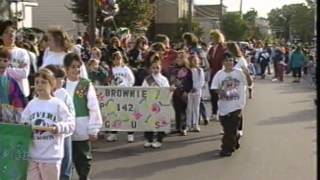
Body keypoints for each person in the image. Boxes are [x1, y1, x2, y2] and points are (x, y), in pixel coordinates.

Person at [21, 68, 75, 180]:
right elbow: (24, 121)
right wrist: (26, 127)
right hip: (33, 155)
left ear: (52, 84)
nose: (39, 85)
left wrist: (58, 127)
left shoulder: (58, 104)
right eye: (37, 82)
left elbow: (70, 124)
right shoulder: (31, 104)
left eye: (43, 82)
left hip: (51, 156)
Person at [63, 53, 103, 180]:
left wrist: (94, 128)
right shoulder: (60, 84)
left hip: (82, 127)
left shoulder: (86, 84)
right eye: (73, 67)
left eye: (78, 67)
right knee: (66, 159)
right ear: (66, 68)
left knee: (83, 159)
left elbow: (93, 106)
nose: (76, 70)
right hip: (65, 129)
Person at [210, 51, 252, 157]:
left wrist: (247, 75)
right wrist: (222, 92)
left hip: (237, 105)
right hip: (224, 106)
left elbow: (250, 83)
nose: (229, 62)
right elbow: (214, 88)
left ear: (233, 61)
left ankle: (226, 149)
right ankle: (235, 138)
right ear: (223, 62)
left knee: (230, 129)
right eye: (226, 61)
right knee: (227, 128)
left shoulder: (239, 73)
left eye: (230, 60)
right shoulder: (219, 74)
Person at [45, 65, 75, 180]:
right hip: (48, 135)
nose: (62, 81)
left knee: (65, 166)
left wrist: (65, 127)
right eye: (59, 78)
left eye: (63, 78)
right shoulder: (42, 93)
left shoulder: (64, 94)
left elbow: (71, 114)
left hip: (64, 134)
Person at [106, 51, 136, 142]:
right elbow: (108, 80)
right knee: (114, 114)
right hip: (115, 94)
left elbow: (132, 80)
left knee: (127, 113)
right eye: (115, 59)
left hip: (125, 93)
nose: (117, 60)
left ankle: (130, 134)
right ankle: (113, 133)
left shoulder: (126, 69)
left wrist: (127, 87)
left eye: (119, 58)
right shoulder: (111, 70)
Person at [142, 53, 170, 148]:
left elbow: (166, 90)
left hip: (160, 104)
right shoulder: (147, 80)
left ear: (160, 68)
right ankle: (149, 139)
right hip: (150, 103)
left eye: (157, 68)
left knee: (160, 122)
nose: (155, 70)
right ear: (150, 69)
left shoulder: (164, 79)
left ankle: (159, 140)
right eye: (153, 68)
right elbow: (143, 90)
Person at [0, 20, 31, 98]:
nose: (11, 34)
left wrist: (5, 69)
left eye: (12, 31)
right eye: (7, 32)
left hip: (19, 95)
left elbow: (24, 73)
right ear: (1, 36)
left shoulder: (22, 52)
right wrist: (15, 69)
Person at [169, 50, 193, 136]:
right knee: (177, 110)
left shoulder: (187, 70)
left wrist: (186, 91)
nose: (179, 60)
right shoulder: (173, 69)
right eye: (178, 58)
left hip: (183, 93)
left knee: (183, 110)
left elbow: (190, 82)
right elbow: (171, 80)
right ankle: (177, 127)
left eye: (181, 58)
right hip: (175, 92)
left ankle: (183, 127)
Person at [0, 47, 27, 123]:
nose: (2, 63)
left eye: (5, 61)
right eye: (0, 60)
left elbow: (19, 102)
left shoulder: (11, 82)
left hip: (6, 118)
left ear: (9, 62)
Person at [207, 29, 227, 121]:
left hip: (220, 74)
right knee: (213, 93)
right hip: (212, 73)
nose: (211, 39)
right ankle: (214, 112)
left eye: (212, 37)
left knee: (221, 94)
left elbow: (224, 61)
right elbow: (210, 62)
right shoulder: (211, 49)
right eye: (210, 37)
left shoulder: (223, 48)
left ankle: (223, 112)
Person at [186, 54, 205, 132]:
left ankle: (195, 124)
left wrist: (196, 88)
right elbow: (188, 80)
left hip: (197, 91)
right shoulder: (189, 70)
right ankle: (188, 124)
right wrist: (191, 88)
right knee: (189, 108)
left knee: (196, 108)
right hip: (190, 91)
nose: (195, 61)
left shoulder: (200, 70)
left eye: (196, 60)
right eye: (194, 60)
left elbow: (202, 81)